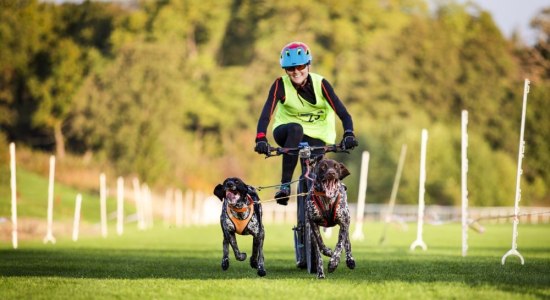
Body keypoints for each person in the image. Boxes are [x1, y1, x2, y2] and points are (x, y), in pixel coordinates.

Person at [254, 41, 358, 205]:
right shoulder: (280, 84)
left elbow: (344, 114)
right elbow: (266, 114)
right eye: (290, 68)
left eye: (300, 67)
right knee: (296, 128)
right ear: (285, 70)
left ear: (308, 65)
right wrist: (260, 138)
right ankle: (285, 186)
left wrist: (349, 134)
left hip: (318, 136)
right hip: (288, 132)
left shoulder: (321, 84)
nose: (296, 72)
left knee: (317, 176)